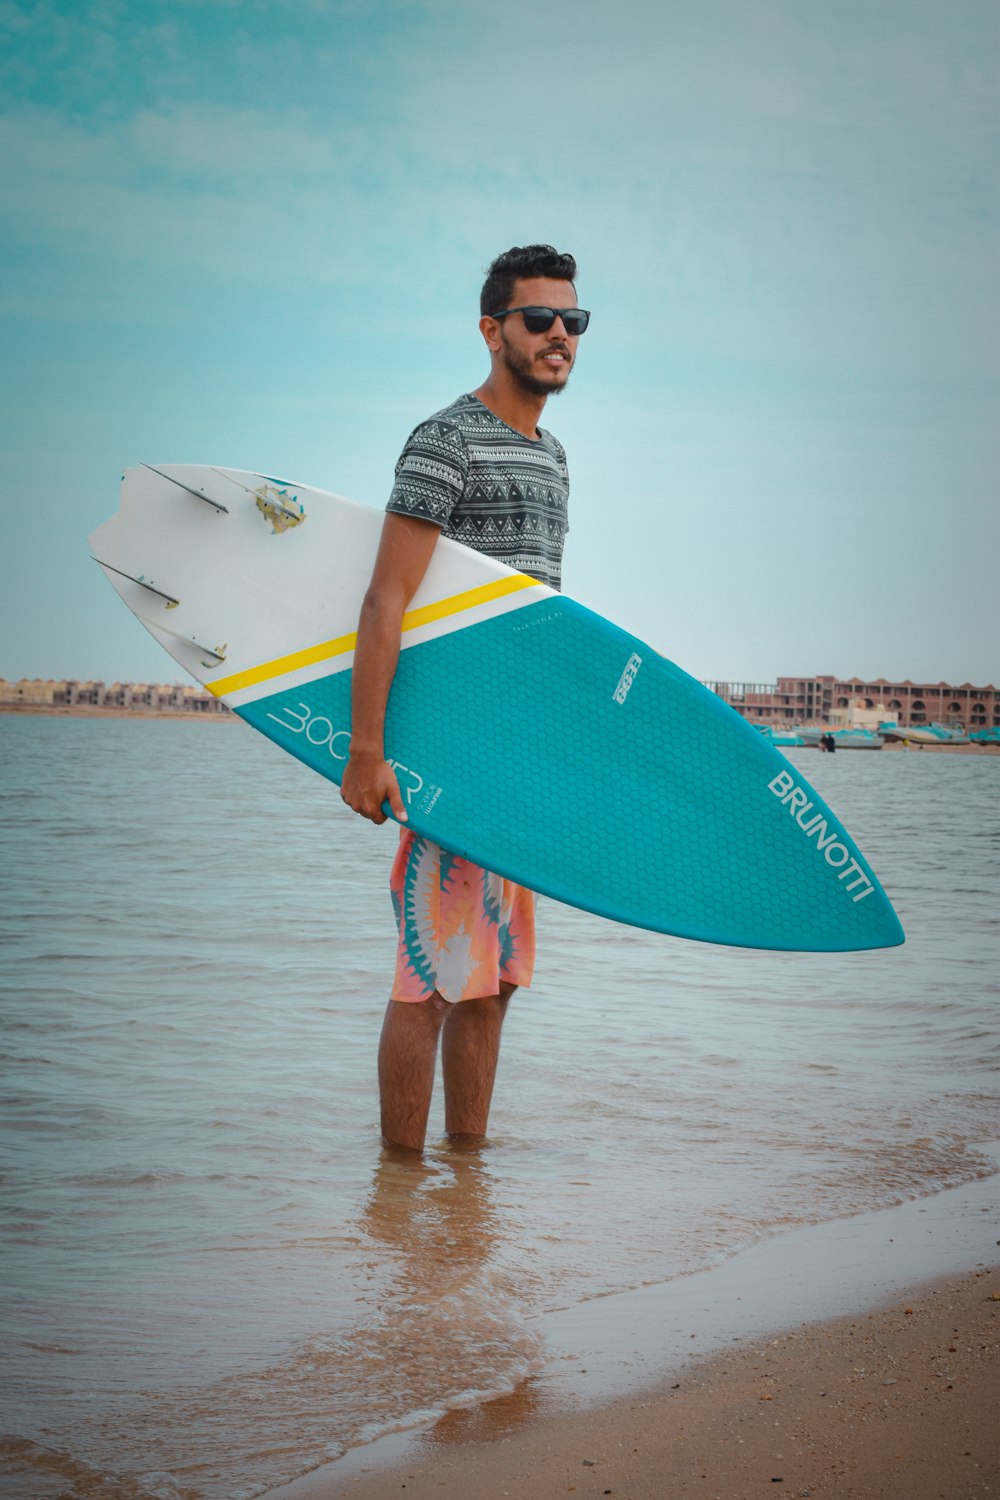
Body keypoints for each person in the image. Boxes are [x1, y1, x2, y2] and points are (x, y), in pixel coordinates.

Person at [340, 244, 587, 1152]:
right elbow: (385, 599)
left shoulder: (553, 456)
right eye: (540, 319)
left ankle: (465, 1181)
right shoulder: (446, 439)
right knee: (433, 978)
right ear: (494, 330)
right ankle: (400, 1192)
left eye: (573, 320)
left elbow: (538, 621)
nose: (560, 333)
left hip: (524, 763)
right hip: (454, 758)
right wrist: (367, 752)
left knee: (498, 978)